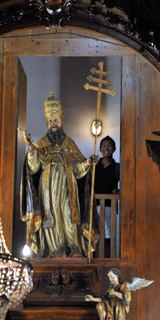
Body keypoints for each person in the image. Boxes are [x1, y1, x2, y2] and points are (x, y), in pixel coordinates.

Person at [20, 91, 98, 258]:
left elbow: (77, 169)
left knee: (69, 215)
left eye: (55, 120)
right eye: (50, 121)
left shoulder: (69, 143)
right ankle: (53, 250)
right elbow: (33, 168)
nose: (53, 124)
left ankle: (74, 248)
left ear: (61, 120)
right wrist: (32, 150)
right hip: (47, 188)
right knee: (51, 218)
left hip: (67, 186)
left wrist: (87, 163)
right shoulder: (41, 143)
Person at [94, 136, 120, 256]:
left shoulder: (117, 167)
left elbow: (126, 184)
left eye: (109, 146)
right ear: (100, 149)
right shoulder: (94, 167)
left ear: (114, 149)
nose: (106, 148)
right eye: (104, 146)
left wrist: (119, 191)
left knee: (109, 235)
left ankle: (109, 261)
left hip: (110, 206)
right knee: (95, 235)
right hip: (94, 207)